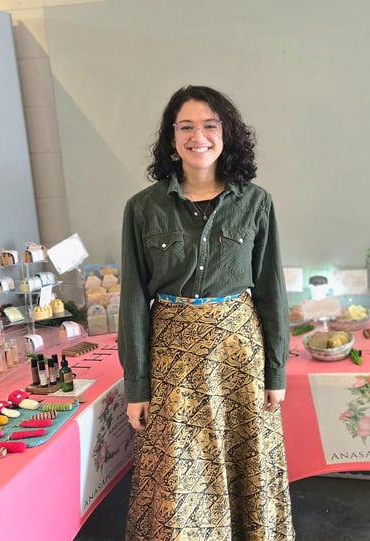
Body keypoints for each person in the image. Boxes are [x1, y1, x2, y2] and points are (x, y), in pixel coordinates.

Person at [119, 85, 295, 540]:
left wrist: (275, 372)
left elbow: (271, 292)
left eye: (210, 125)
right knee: (176, 478)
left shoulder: (256, 203)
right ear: (171, 138)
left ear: (226, 134)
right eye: (186, 127)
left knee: (248, 469)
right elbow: (134, 300)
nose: (198, 136)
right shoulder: (143, 208)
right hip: (172, 359)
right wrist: (137, 385)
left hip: (239, 357)